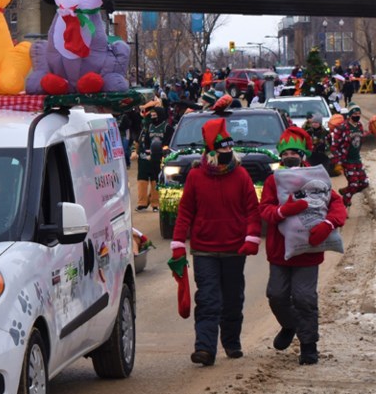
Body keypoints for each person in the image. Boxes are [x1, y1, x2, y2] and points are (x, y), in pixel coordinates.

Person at [171, 118, 260, 366]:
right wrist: (178, 243)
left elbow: (252, 210)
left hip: (234, 249)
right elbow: (186, 211)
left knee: (232, 300)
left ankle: (231, 342)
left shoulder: (241, 175)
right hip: (204, 250)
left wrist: (252, 236)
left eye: (229, 149)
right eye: (221, 149)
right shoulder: (196, 177)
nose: (226, 153)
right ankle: (205, 348)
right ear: (211, 151)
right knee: (209, 299)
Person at [259, 126, 346, 365]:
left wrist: (328, 224)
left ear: (303, 154)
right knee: (276, 295)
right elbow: (264, 209)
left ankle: (309, 345)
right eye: (285, 153)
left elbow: (336, 205)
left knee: (304, 297)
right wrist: (281, 211)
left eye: (294, 152)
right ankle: (289, 326)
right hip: (280, 252)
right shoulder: (272, 181)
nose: (290, 157)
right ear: (280, 155)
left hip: (309, 250)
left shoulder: (317, 177)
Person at [331, 103, 370, 207]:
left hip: (357, 159)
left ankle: (345, 191)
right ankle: (345, 201)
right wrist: (337, 162)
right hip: (347, 160)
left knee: (364, 183)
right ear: (350, 114)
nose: (357, 115)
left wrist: (369, 133)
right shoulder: (342, 128)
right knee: (354, 184)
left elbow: (360, 139)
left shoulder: (360, 126)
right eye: (355, 113)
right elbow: (334, 146)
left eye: (359, 113)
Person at [135, 103, 171, 211]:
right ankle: (142, 203)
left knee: (156, 180)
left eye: (155, 115)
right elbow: (144, 141)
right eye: (152, 115)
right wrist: (145, 150)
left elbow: (168, 142)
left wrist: (159, 151)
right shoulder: (148, 127)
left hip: (158, 158)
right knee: (142, 179)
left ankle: (155, 204)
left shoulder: (167, 128)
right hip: (145, 157)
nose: (153, 117)